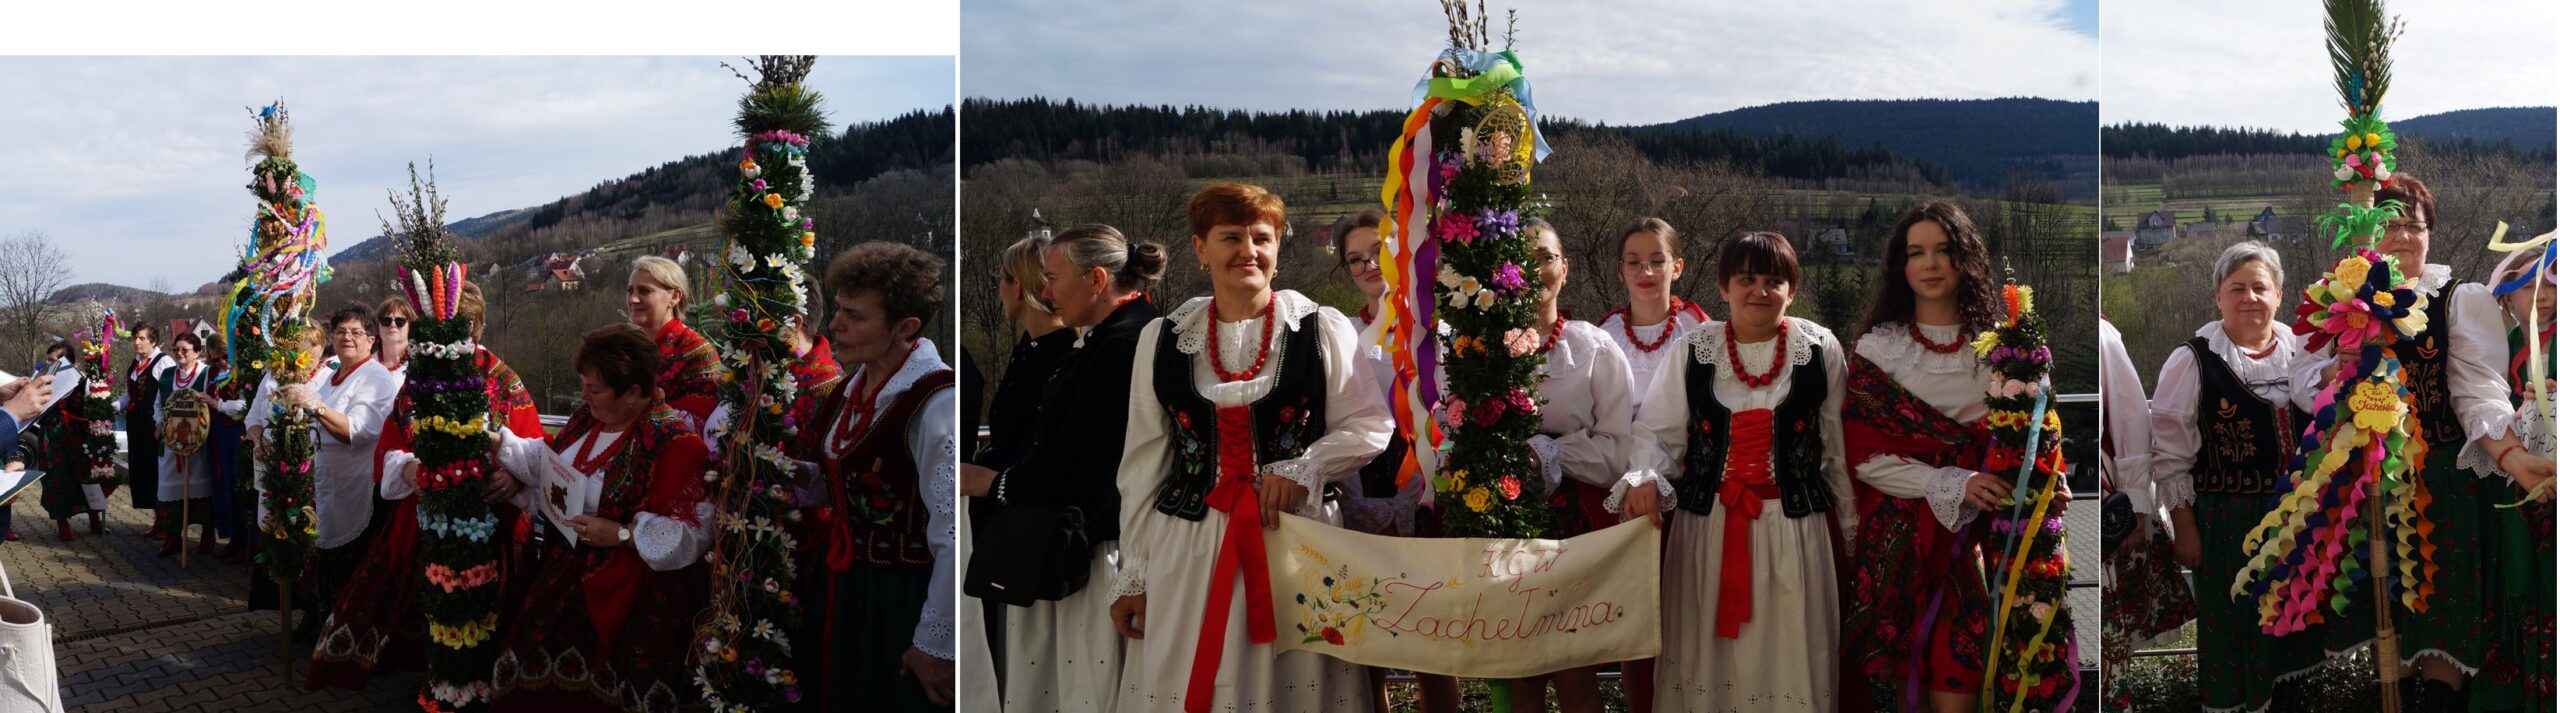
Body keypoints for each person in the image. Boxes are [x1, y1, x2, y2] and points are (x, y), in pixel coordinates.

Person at [1108, 183, 1389, 712]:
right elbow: (1143, 465)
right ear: (1200, 249)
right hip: (1188, 551)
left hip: (1298, 546)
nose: (1248, 251)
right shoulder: (1163, 338)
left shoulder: (1319, 328)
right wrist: (1134, 572)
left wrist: (1308, 467)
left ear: (1278, 249)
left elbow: (1370, 425)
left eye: (1262, 237)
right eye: (1230, 237)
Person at [2285, 177, 2555, 709]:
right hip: (2360, 484)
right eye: (2389, 223)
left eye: (2415, 225)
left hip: (2439, 485)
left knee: (2440, 622)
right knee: (2385, 626)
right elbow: (2300, 379)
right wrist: (2333, 373)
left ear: (2431, 234)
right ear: (2366, 233)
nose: (2403, 236)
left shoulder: (2459, 299)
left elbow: (2478, 389)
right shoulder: (2335, 299)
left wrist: (2512, 453)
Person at [1617, 231, 1846, 712]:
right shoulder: (1693, 349)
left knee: (1790, 657)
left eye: (1773, 280)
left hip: (1796, 535)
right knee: (1706, 659)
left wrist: (1850, 529)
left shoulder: (1821, 349)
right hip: (1708, 533)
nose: (1759, 291)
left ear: (1792, 290)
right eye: (1746, 279)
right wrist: (1644, 478)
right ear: (1724, 288)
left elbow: (1836, 452)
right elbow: (1657, 435)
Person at [959, 224, 1163, 712]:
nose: (1045, 292)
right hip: (1088, 544)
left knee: (1088, 691)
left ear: (1096, 279)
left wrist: (997, 483)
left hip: (1104, 550)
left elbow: (1082, 461)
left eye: (1052, 277)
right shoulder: (1106, 339)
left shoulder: (1123, 344)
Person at [309, 283, 545, 691]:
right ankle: (430, 672)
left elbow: (532, 443)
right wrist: (407, 469)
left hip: (491, 517)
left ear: (476, 326)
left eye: (463, 326)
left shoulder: (501, 378)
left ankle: (476, 678)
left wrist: (513, 475)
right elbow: (391, 443)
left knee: (487, 605)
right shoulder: (419, 379)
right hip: (424, 512)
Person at [485, 324, 711, 713]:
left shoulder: (675, 445)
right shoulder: (587, 421)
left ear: (634, 394)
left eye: (596, 389)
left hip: (632, 596)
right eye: (584, 385)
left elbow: (692, 535)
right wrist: (498, 442)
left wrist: (623, 534)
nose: (584, 396)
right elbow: (552, 465)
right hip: (563, 574)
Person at [1837, 202, 2008, 713]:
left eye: (1943, 250)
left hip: (1983, 534)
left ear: (1966, 260)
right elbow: (1863, 454)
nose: (1930, 264)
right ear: (1901, 266)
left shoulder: (2003, 349)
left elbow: (2030, 442)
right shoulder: (1877, 349)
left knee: (1962, 686)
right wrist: (1952, 481)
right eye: (1917, 253)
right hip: (1900, 540)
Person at [785, 242, 960, 711]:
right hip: (844, 587)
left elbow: (953, 533)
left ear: (906, 328)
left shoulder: (936, 401)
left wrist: (937, 642)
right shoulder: (854, 385)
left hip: (900, 596)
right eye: (838, 309)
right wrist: (775, 475)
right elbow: (852, 483)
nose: (836, 324)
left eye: (855, 316)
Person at [2146, 242, 2319, 712]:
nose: (2249, 298)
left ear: (2279, 295)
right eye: (2236, 288)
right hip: (2228, 524)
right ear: (2218, 297)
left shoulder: (2303, 351)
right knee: (2234, 633)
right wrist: (2185, 529)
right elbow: (2170, 455)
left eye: (2260, 287)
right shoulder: (2193, 359)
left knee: (2296, 630)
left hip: (2299, 521)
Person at [1329, 208, 1459, 713]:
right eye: (1353, 259)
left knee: (1434, 643)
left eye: (1374, 253)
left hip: (1431, 498)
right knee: (1367, 645)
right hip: (1365, 501)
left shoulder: (1442, 330)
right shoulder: (1337, 336)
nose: (1366, 266)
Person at [251, 306, 400, 643]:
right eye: (341, 331)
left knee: (345, 565)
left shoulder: (374, 376)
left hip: (354, 487)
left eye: (356, 332)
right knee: (321, 561)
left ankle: (343, 635)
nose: (347, 337)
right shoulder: (336, 376)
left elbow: (359, 432)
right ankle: (319, 621)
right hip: (322, 485)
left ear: (371, 340)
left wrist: (315, 405)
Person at [2093, 316, 2192, 708]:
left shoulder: (2103, 333)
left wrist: (2134, 500)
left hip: (2107, 497)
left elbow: (2131, 412)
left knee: (2110, 630)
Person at [2477, 244, 2556, 709]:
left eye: (2549, 283)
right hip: (2515, 495)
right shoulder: (2494, 352)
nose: (2540, 295)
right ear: (2506, 298)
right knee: (2521, 596)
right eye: (2527, 286)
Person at [974, 234, 1074, 471]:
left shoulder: (1060, 357)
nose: (998, 289)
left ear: (1016, 286)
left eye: (1001, 279)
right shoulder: (1032, 348)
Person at [1598, 217, 1714, 408]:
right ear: (1621, 269)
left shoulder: (1696, 330)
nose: (1646, 272)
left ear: (1677, 268)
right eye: (1634, 262)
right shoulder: (1607, 336)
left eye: (1657, 261)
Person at [627, 255, 720, 431]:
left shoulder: (698, 351)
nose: (633, 299)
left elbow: (697, 423)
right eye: (630, 291)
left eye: (644, 291)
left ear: (675, 296)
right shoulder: (622, 346)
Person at [30, 341, 105, 541]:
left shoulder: (83, 381)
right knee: (55, 478)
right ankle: (62, 522)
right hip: (51, 436)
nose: (50, 363)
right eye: (49, 360)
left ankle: (94, 516)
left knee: (85, 475)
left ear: (67, 363)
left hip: (77, 434)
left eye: (54, 360)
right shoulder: (42, 382)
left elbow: (94, 407)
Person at [153, 332, 218, 558]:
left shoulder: (207, 374)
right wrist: (160, 422)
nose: (179, 353)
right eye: (176, 349)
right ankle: (173, 537)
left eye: (185, 350)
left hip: (199, 444)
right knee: (170, 490)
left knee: (201, 491)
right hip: (171, 443)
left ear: (197, 352)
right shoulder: (167, 375)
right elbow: (158, 404)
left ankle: (207, 535)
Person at [120, 323, 173, 539]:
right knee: (144, 471)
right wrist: (113, 405)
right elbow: (129, 394)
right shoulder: (136, 362)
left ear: (154, 341)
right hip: (136, 425)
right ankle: (157, 520)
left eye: (141, 338)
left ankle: (167, 522)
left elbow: (167, 397)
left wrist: (162, 423)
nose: (136, 342)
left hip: (154, 426)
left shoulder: (164, 362)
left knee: (158, 472)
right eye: (134, 338)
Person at [375, 295, 415, 375]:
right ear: (377, 325)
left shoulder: (421, 363)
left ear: (410, 325)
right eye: (386, 321)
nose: (393, 325)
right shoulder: (366, 365)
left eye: (400, 321)